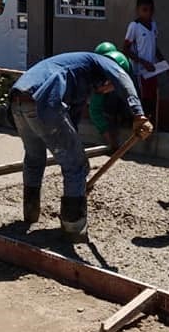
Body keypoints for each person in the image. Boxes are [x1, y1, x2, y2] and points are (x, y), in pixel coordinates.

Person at [10, 50, 154, 242]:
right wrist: (138, 114)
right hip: (43, 102)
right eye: (109, 86)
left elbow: (72, 122)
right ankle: (73, 227)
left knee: (35, 159)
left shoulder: (80, 75)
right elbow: (122, 77)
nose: (107, 90)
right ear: (107, 74)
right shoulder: (101, 61)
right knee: (77, 166)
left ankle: (30, 212)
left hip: (17, 102)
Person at [123, 0, 164, 120]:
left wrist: (163, 61)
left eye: (151, 10)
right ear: (138, 10)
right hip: (140, 71)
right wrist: (143, 63)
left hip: (152, 70)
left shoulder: (153, 25)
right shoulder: (134, 26)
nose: (148, 13)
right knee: (143, 99)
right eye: (145, 10)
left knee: (153, 97)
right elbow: (125, 49)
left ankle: (151, 123)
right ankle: (142, 125)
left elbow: (155, 46)